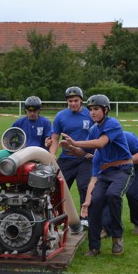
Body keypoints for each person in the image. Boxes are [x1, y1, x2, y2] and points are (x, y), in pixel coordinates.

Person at [61, 94, 132, 257]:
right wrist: (70, 148)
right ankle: (94, 247)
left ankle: (117, 238)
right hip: (105, 172)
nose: (92, 112)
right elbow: (83, 152)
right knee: (94, 202)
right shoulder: (93, 129)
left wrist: (75, 142)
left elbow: (100, 143)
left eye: (96, 109)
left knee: (113, 196)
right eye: (91, 109)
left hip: (123, 169)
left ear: (105, 110)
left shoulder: (112, 124)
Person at [49, 86, 93, 222]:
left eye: (76, 100)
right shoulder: (60, 116)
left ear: (81, 101)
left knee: (84, 187)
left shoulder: (90, 114)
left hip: (85, 159)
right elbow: (55, 138)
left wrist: (94, 153)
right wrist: (52, 155)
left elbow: (98, 136)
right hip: (66, 159)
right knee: (56, 188)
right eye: (70, 101)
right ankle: (58, 218)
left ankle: (85, 218)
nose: (73, 103)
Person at [102, 131, 138, 236]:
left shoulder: (126, 136)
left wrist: (120, 162)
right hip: (121, 165)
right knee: (109, 193)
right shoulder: (98, 141)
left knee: (133, 193)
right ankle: (107, 228)